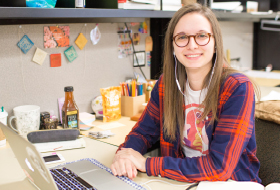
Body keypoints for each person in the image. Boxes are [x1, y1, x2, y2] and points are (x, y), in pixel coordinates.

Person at [111, 3, 261, 183]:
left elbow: (219, 168)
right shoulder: (167, 85)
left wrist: (147, 164)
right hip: (181, 182)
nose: (192, 45)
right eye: (182, 37)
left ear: (215, 44)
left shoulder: (237, 88)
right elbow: (143, 132)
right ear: (173, 46)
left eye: (201, 36)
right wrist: (124, 155)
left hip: (232, 185)